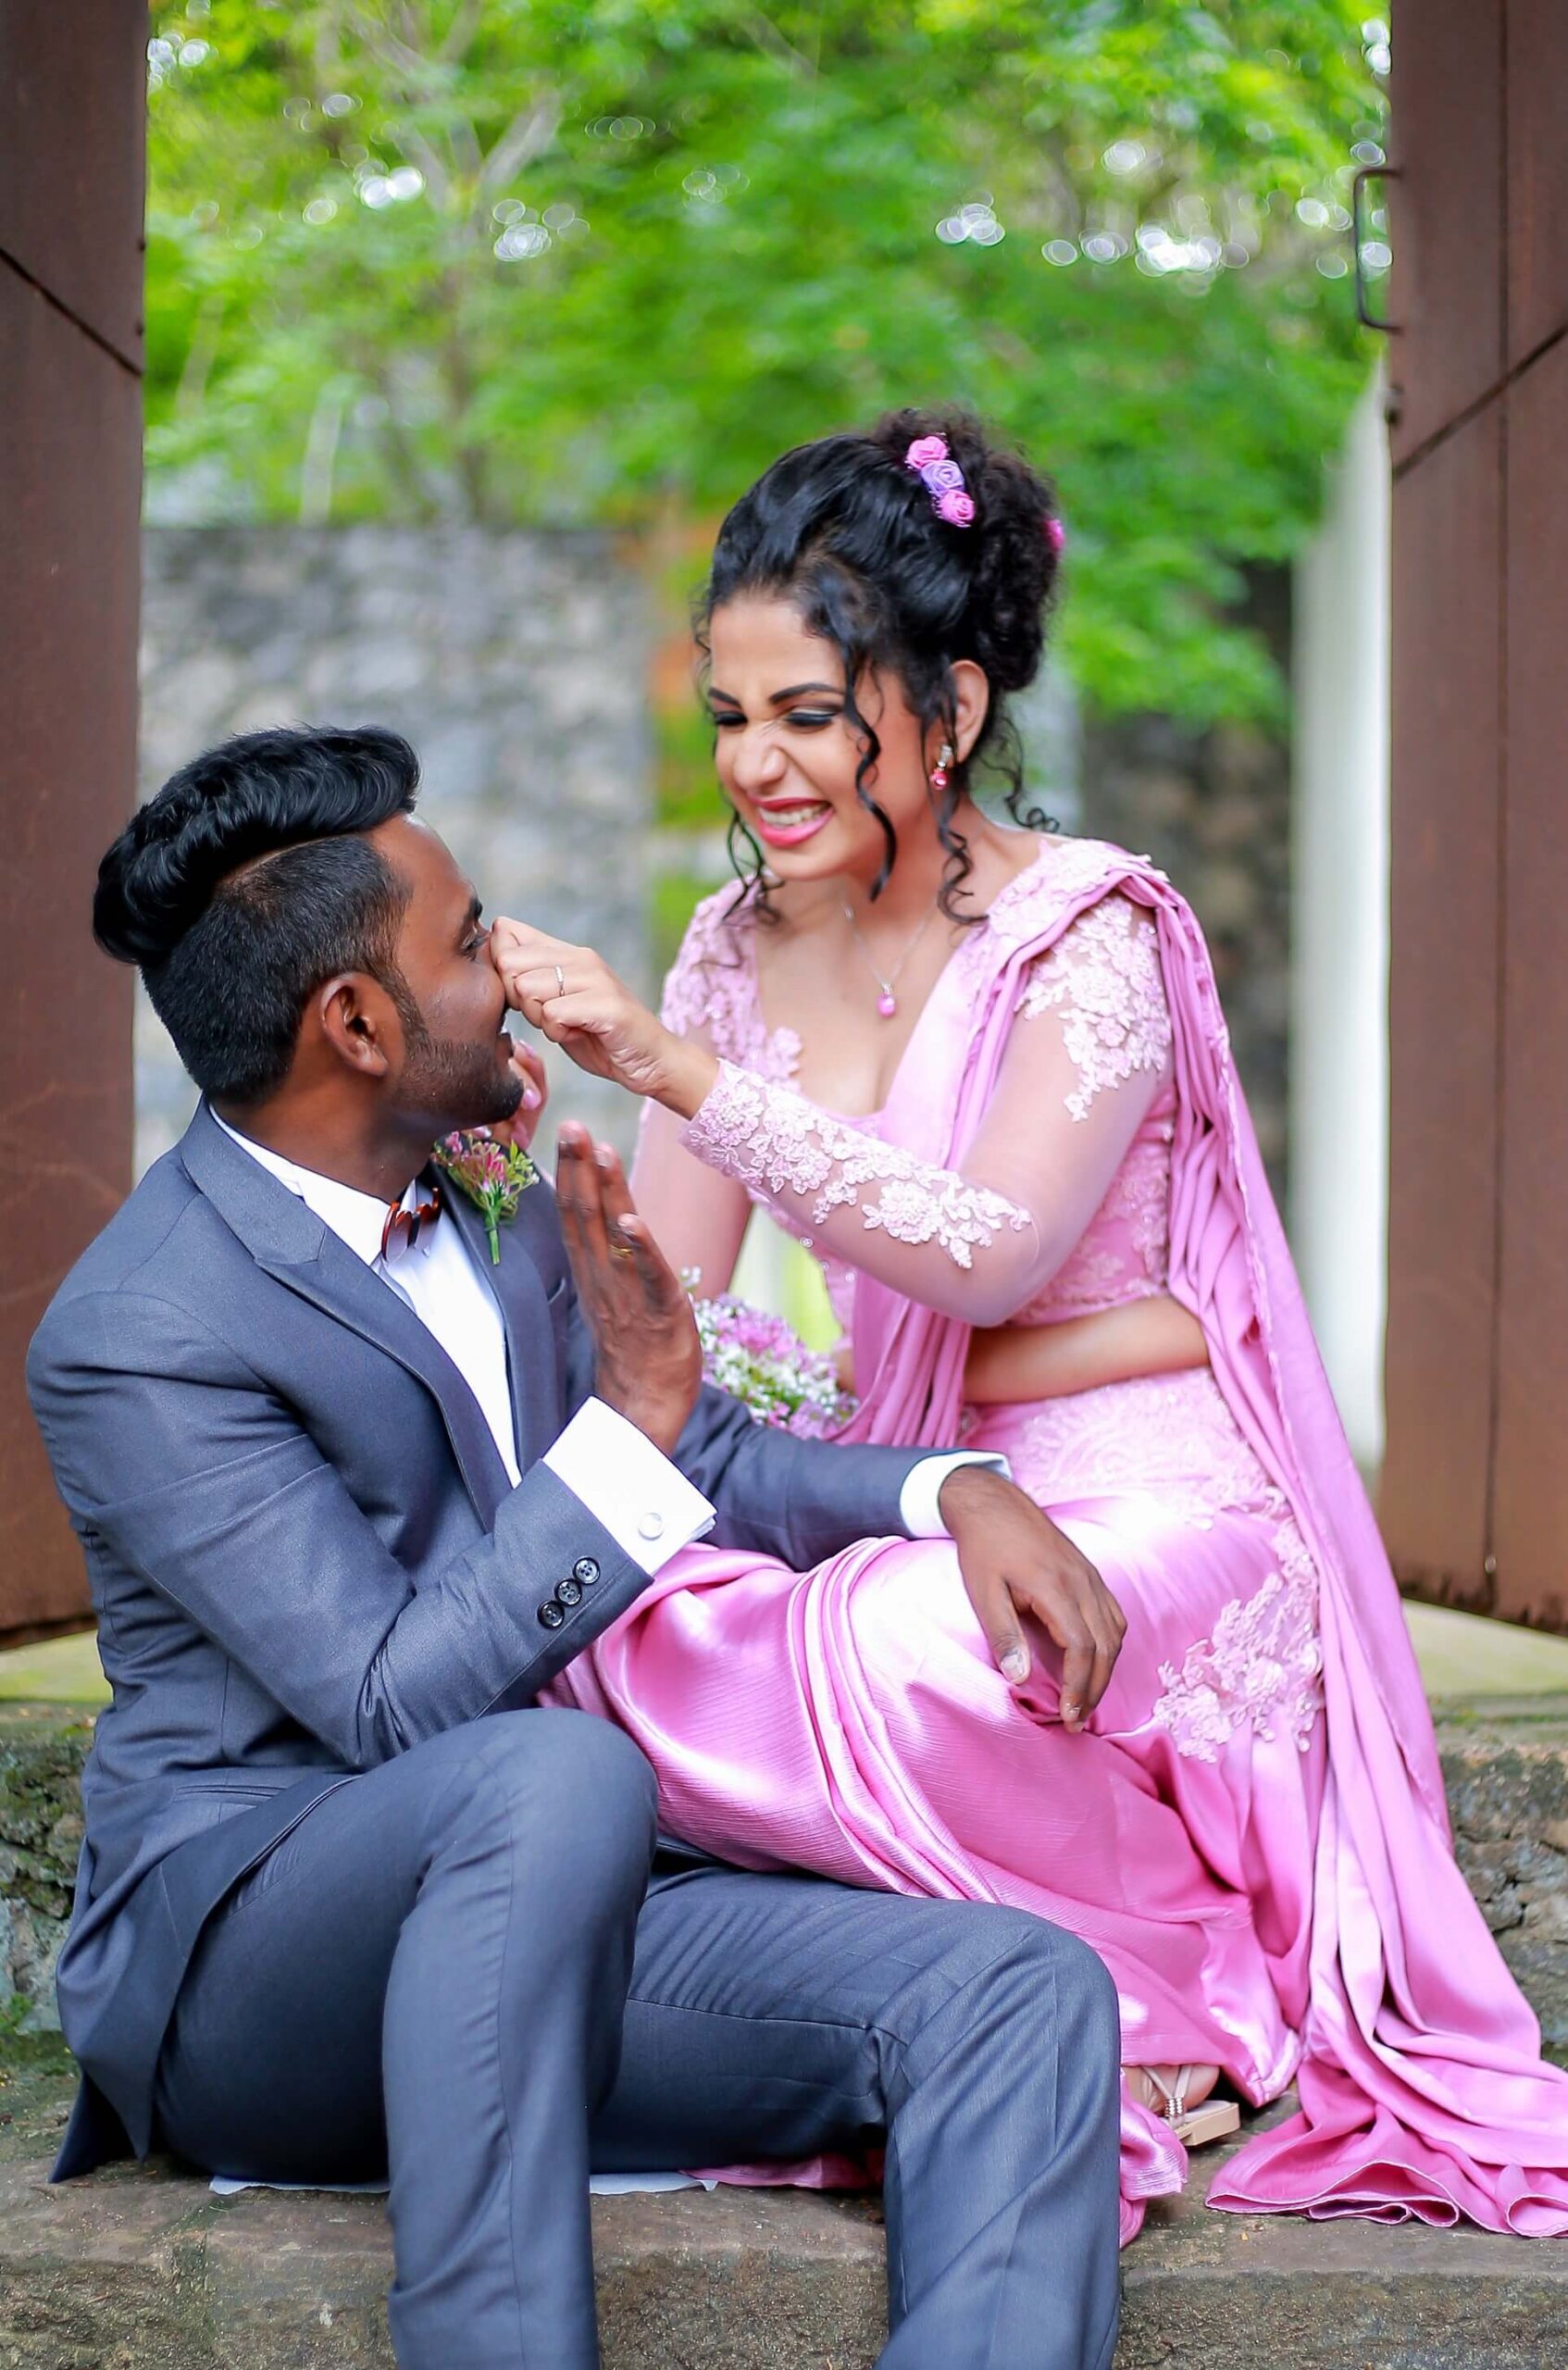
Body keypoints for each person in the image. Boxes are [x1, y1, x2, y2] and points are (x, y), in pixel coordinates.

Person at [491, 407, 1568, 2244]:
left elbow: (984, 1248)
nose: (758, 762)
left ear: (951, 707)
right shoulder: (729, 949)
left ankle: (1184, 1984)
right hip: (914, 1478)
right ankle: (958, 1987)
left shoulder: (1090, 933)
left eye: (808, 714)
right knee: (618, 1640)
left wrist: (673, 1065)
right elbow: (684, 1326)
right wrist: (517, 1170)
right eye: (729, 709)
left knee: (913, 1646)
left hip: (1151, 1489)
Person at [27, 725, 1124, 2370]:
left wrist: (946, 1489)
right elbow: (391, 1702)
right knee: (554, 1776)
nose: (513, 966)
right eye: (468, 940)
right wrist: (630, 1424)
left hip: (551, 1907)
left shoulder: (484, 1192)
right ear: (356, 1021)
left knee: (1017, 1992)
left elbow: (699, 1450)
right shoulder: (143, 1327)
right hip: (255, 1966)